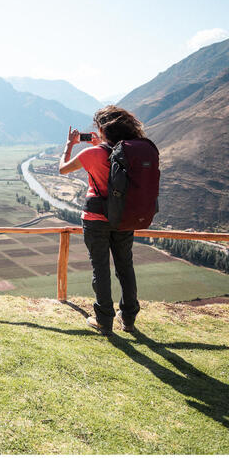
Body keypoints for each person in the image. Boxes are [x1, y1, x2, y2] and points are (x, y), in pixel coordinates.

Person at [59, 106, 146, 335]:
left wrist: (70, 145)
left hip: (96, 218)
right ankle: (128, 319)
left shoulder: (92, 154)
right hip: (124, 218)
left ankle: (104, 321)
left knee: (100, 268)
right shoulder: (130, 152)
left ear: (102, 129)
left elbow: (62, 169)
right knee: (125, 267)